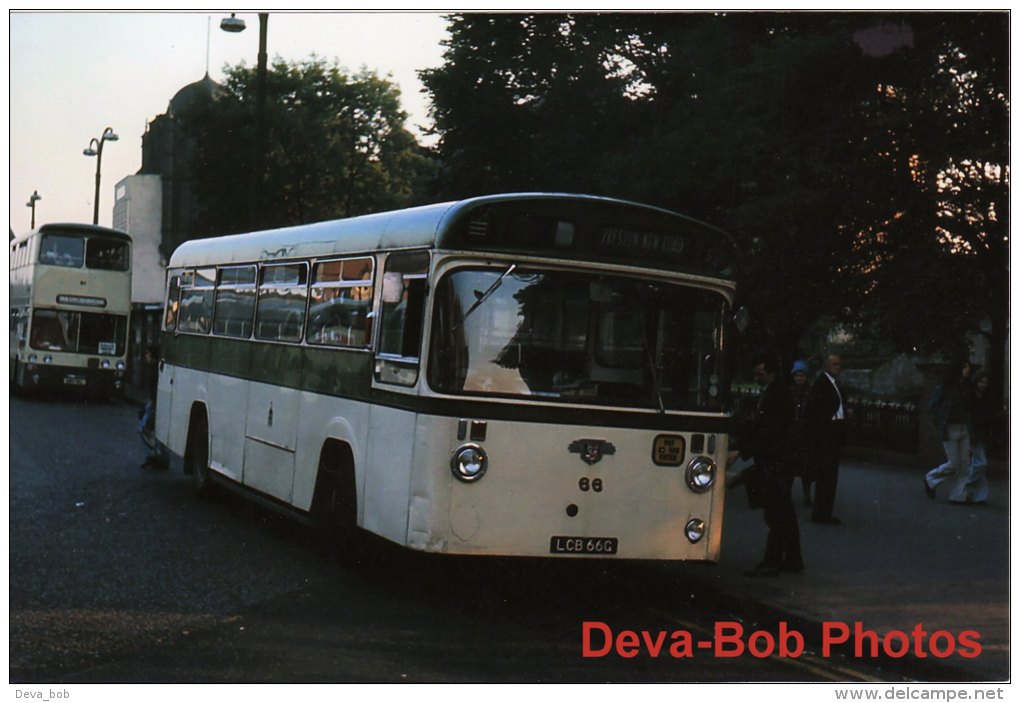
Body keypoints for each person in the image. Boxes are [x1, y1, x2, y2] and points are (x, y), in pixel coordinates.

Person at [743, 352, 802, 577]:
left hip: (776, 462)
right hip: (781, 461)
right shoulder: (777, 391)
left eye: (760, 374)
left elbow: (769, 431)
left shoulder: (776, 394)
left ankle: (772, 560)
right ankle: (793, 559)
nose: (757, 378)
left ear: (771, 373)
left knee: (776, 512)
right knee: (784, 512)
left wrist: (743, 451)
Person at [805, 353, 847, 525]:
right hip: (826, 435)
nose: (838, 367)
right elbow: (814, 410)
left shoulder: (834, 382)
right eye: (835, 364)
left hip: (833, 433)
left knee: (830, 476)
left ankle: (824, 512)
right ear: (826, 365)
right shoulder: (822, 383)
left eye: (839, 364)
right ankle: (821, 514)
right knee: (826, 476)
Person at [924, 359, 973, 500]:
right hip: (950, 427)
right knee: (953, 463)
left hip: (964, 427)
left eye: (969, 367)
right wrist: (939, 423)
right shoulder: (947, 387)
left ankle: (959, 495)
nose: (968, 370)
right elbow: (934, 405)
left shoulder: (967, 388)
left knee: (964, 464)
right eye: (965, 366)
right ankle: (930, 478)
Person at [949, 370, 996, 505]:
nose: (984, 385)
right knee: (980, 463)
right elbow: (967, 416)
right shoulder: (970, 396)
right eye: (981, 382)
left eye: (986, 382)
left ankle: (979, 495)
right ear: (976, 382)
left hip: (980, 432)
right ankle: (965, 487)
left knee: (977, 463)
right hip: (970, 432)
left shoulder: (986, 398)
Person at [138, 344, 168, 470]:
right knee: (153, 429)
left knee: (143, 427)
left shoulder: (155, 370)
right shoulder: (154, 368)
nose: (146, 357)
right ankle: (159, 454)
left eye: (147, 355)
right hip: (154, 402)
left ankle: (158, 452)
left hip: (156, 402)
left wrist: (149, 406)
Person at [788, 359, 813, 506]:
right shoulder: (790, 391)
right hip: (793, 432)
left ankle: (807, 495)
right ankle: (788, 493)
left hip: (804, 432)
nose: (799, 378)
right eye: (797, 375)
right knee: (790, 465)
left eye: (802, 375)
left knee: (806, 468)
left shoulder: (810, 392)